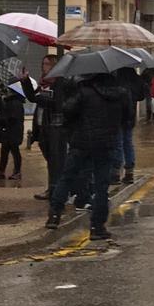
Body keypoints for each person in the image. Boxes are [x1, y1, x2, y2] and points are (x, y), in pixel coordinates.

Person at [46, 71, 129, 240]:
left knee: (67, 177)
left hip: (81, 142)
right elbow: (128, 119)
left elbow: (67, 110)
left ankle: (54, 215)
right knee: (101, 186)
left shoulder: (84, 92)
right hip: (106, 144)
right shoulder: (121, 94)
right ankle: (97, 227)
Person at [29, 55, 66, 201]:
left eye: (47, 64)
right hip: (42, 126)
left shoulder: (59, 82)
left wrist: (41, 98)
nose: (43, 67)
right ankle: (53, 188)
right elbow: (32, 97)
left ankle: (56, 190)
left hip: (55, 127)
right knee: (51, 160)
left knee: (56, 161)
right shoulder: (43, 83)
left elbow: (57, 103)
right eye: (43, 63)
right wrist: (25, 81)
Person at [115, 65, 146, 185]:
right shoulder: (137, 79)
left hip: (117, 116)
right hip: (130, 116)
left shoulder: (116, 80)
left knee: (117, 143)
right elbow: (141, 96)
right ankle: (129, 172)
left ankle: (116, 173)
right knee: (127, 142)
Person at [0, 74, 28, 182]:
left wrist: (0, 118)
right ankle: (1, 170)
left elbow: (12, 117)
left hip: (13, 131)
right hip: (11, 131)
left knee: (14, 150)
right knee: (5, 150)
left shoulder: (15, 102)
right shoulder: (12, 101)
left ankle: (16, 171)